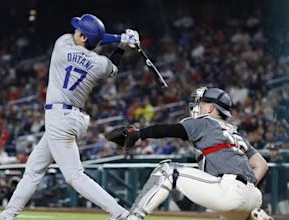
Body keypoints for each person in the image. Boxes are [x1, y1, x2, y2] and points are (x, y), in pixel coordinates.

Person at [0, 14, 140, 220]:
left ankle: (120, 213)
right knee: (33, 168)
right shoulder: (99, 63)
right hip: (73, 118)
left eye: (79, 30)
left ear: (83, 37)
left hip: (59, 117)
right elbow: (112, 65)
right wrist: (122, 43)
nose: (74, 31)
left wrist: (119, 38)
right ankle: (8, 215)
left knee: (74, 175)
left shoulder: (62, 45)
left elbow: (97, 37)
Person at [105, 87, 273, 220]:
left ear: (210, 108)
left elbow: (169, 129)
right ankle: (253, 216)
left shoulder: (205, 122)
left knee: (167, 171)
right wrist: (246, 188)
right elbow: (262, 165)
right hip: (253, 198)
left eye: (201, 103)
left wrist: (138, 134)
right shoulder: (235, 133)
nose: (196, 107)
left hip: (230, 191)